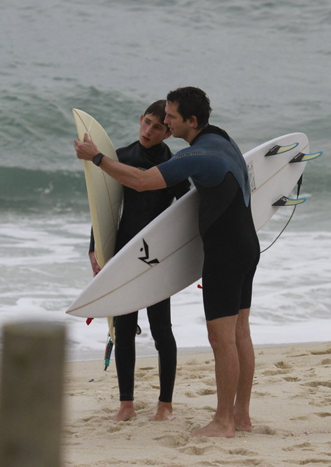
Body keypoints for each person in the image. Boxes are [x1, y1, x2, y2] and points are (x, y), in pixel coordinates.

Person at [74, 87, 260, 438]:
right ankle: (241, 416)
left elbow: (143, 182)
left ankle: (223, 422)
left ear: (191, 121)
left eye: (171, 117)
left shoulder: (198, 155)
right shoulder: (222, 140)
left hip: (224, 255)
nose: (166, 122)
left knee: (222, 340)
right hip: (248, 246)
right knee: (240, 333)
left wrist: (97, 158)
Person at [86, 100, 191, 422]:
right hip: (122, 253)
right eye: (146, 122)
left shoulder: (173, 167)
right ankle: (126, 404)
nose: (148, 131)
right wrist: (95, 248)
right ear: (140, 119)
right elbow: (104, 205)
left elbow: (185, 212)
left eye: (157, 127)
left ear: (168, 131)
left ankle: (165, 404)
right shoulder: (121, 158)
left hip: (156, 257)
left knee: (162, 330)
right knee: (124, 328)